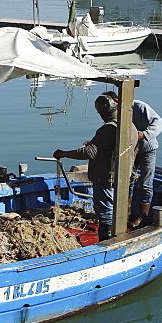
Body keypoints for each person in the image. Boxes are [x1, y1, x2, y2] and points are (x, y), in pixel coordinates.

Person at [53, 94, 119, 241]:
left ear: (102, 112)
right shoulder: (129, 126)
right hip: (120, 177)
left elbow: (89, 152)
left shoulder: (108, 128)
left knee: (106, 213)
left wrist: (64, 153)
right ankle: (114, 235)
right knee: (113, 209)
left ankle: (106, 243)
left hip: (106, 177)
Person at [103, 91, 162, 227]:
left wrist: (145, 134)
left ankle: (144, 216)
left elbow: (159, 122)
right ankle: (126, 213)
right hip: (129, 150)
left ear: (117, 100)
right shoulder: (114, 114)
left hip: (147, 149)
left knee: (145, 183)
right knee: (128, 180)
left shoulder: (139, 106)